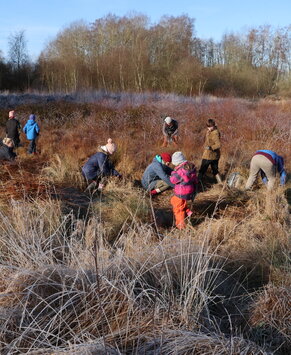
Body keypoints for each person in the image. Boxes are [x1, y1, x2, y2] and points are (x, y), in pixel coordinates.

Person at [170, 151, 198, 229]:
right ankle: (187, 211)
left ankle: (181, 227)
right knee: (174, 201)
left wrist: (173, 172)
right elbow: (195, 179)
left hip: (181, 192)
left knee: (178, 209)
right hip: (190, 191)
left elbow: (173, 180)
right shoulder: (190, 167)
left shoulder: (180, 171)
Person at [198, 119, 222, 184]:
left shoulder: (215, 133)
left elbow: (218, 144)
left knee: (202, 170)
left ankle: (197, 184)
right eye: (208, 127)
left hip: (209, 155)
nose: (209, 128)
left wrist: (210, 148)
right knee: (215, 170)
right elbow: (207, 141)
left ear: (214, 125)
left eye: (211, 126)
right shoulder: (208, 131)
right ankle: (220, 184)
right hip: (213, 155)